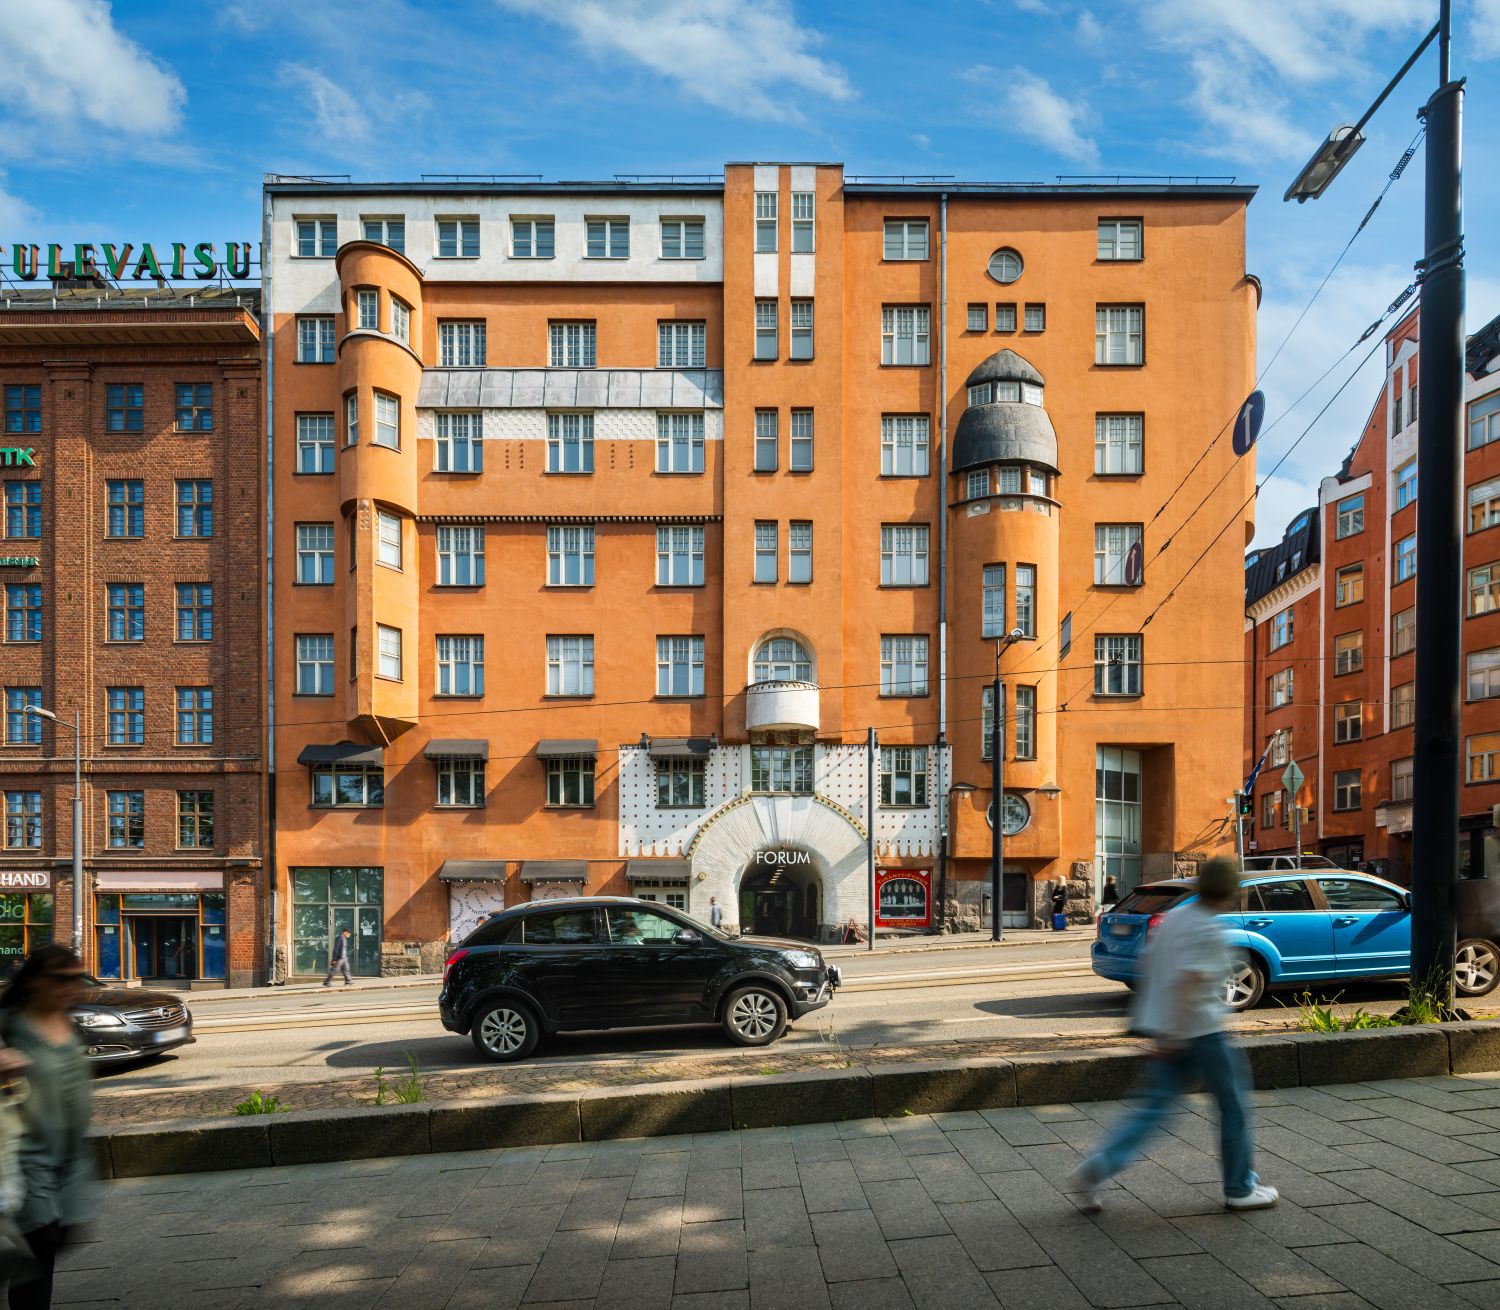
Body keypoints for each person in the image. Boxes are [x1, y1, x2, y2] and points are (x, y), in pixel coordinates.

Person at [1068, 857, 1278, 1212]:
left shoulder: (1175, 917)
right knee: (1233, 1107)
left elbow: (1151, 968)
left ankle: (1099, 1166)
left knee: (1153, 1109)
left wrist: (1158, 1028)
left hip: (1168, 1027)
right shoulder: (1208, 930)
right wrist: (1174, 1036)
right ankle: (1240, 1187)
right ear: (1229, 893)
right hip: (1201, 1031)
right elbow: (1189, 982)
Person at [0, 945, 96, 1308]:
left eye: (77, 979)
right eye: (61, 979)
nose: (72, 987)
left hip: (69, 1161)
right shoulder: (10, 1025)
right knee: (39, 1246)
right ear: (35, 982)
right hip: (24, 1158)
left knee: (53, 1241)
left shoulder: (68, 1022)